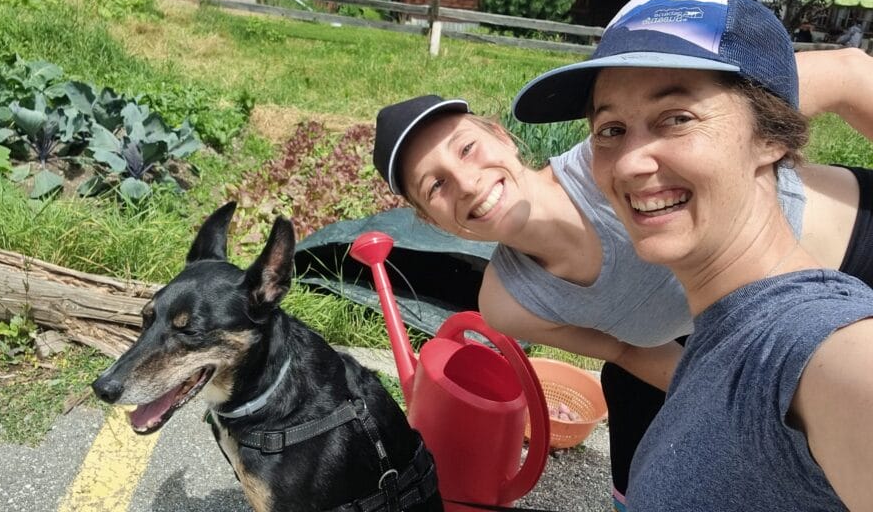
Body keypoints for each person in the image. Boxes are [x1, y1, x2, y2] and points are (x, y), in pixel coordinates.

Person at [372, 38, 873, 511]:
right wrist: (727, 408)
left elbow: (850, 73)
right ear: (429, 219)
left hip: (855, 247)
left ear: (502, 136)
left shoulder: (626, 149)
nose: (466, 181)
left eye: (466, 149)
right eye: (435, 185)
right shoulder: (511, 302)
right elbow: (627, 350)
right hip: (740, 334)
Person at [510, 0, 873, 510]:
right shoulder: (720, 336)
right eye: (610, 129)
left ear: (772, 136)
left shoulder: (823, 353)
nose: (631, 162)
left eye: (676, 118)